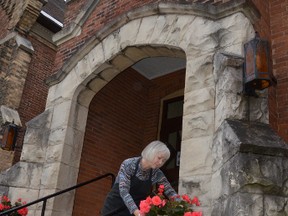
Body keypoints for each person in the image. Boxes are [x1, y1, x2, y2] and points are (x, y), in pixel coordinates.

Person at [101, 140, 178, 216]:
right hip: (114, 207)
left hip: (134, 211)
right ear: (151, 152)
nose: (160, 162)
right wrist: (135, 211)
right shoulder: (129, 164)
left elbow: (169, 191)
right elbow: (124, 190)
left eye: (163, 160)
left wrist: (180, 204)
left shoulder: (157, 173)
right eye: (159, 158)